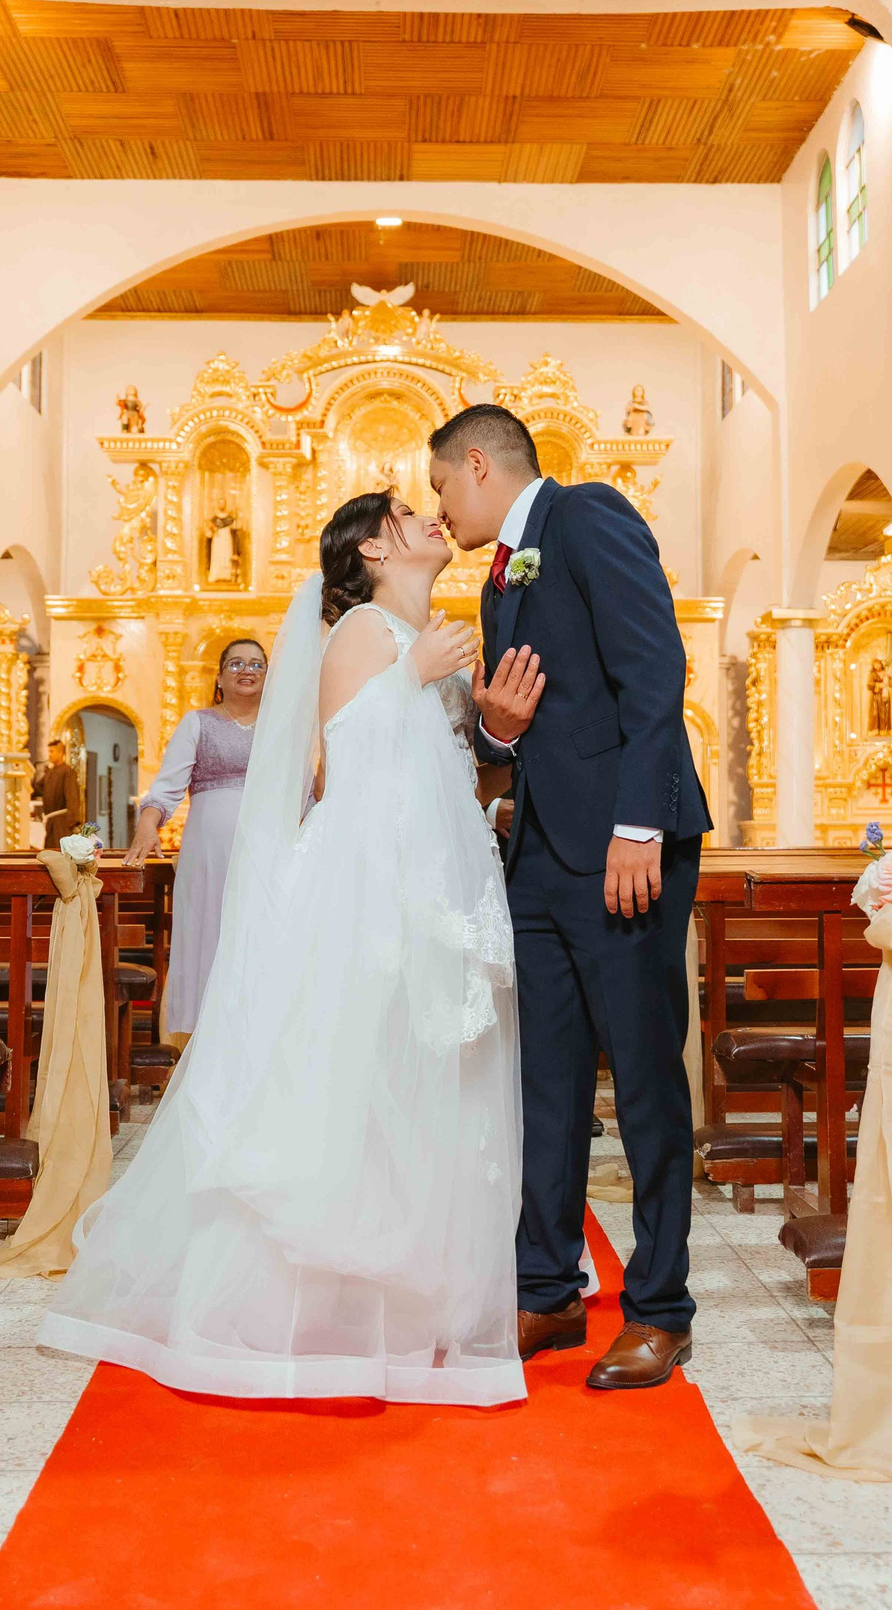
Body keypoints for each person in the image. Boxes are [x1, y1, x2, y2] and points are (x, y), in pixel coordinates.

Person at [42, 491, 529, 1407]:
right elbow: (345, 762)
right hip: (366, 887)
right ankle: (312, 1308)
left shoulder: (413, 634)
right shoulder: (364, 636)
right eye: (407, 513)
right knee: (348, 1087)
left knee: (418, 1087)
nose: (431, 520)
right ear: (375, 550)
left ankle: (413, 1299)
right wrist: (409, 675)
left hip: (425, 877)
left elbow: (440, 774)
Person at [432, 401, 712, 1392]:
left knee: (641, 1081)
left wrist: (639, 823)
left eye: (439, 486)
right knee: (542, 1085)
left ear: (477, 464)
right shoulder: (499, 578)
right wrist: (497, 737)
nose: (438, 507)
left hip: (623, 848)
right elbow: (509, 730)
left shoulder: (588, 515)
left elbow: (654, 668)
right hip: (539, 855)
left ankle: (660, 1309)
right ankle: (546, 1287)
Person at [125, 638, 265, 1047]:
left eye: (257, 664)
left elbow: (303, 793)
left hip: (266, 853)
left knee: (258, 937)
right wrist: (147, 825)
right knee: (210, 934)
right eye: (236, 663)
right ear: (219, 676)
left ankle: (253, 1040)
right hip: (208, 854)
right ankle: (204, 1045)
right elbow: (166, 789)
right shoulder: (198, 722)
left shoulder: (282, 727)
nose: (247, 670)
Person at [35, 739, 83, 843]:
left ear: (61, 753)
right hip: (51, 821)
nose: (49, 755)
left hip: (62, 822)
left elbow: (72, 796)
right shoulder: (50, 772)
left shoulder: (67, 772)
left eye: (52, 752)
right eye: (49, 751)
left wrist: (72, 821)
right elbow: (38, 789)